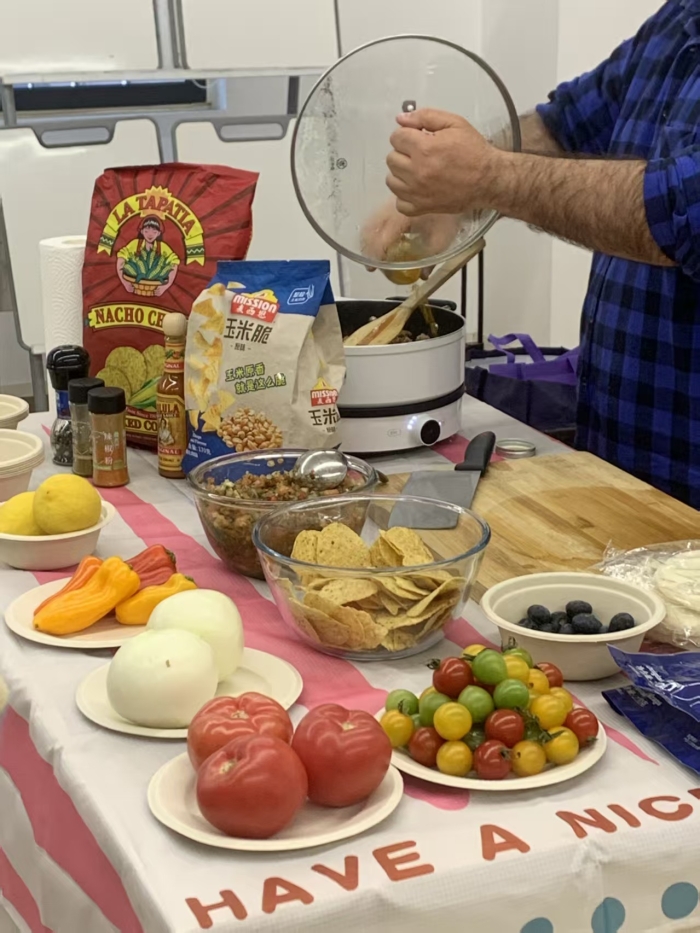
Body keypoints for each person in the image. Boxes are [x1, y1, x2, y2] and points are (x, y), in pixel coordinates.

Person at [382, 1, 700, 508]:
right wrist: (447, 189)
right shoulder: (680, 19)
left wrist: (487, 177)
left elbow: (682, 211)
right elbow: (565, 123)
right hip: (620, 464)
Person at [116, 215, 180, 298]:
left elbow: (174, 263)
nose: (150, 235)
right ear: (142, 231)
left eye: (154, 232)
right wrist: (125, 283)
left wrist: (164, 287)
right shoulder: (135, 244)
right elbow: (121, 258)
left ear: (159, 233)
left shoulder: (163, 247)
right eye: (146, 231)